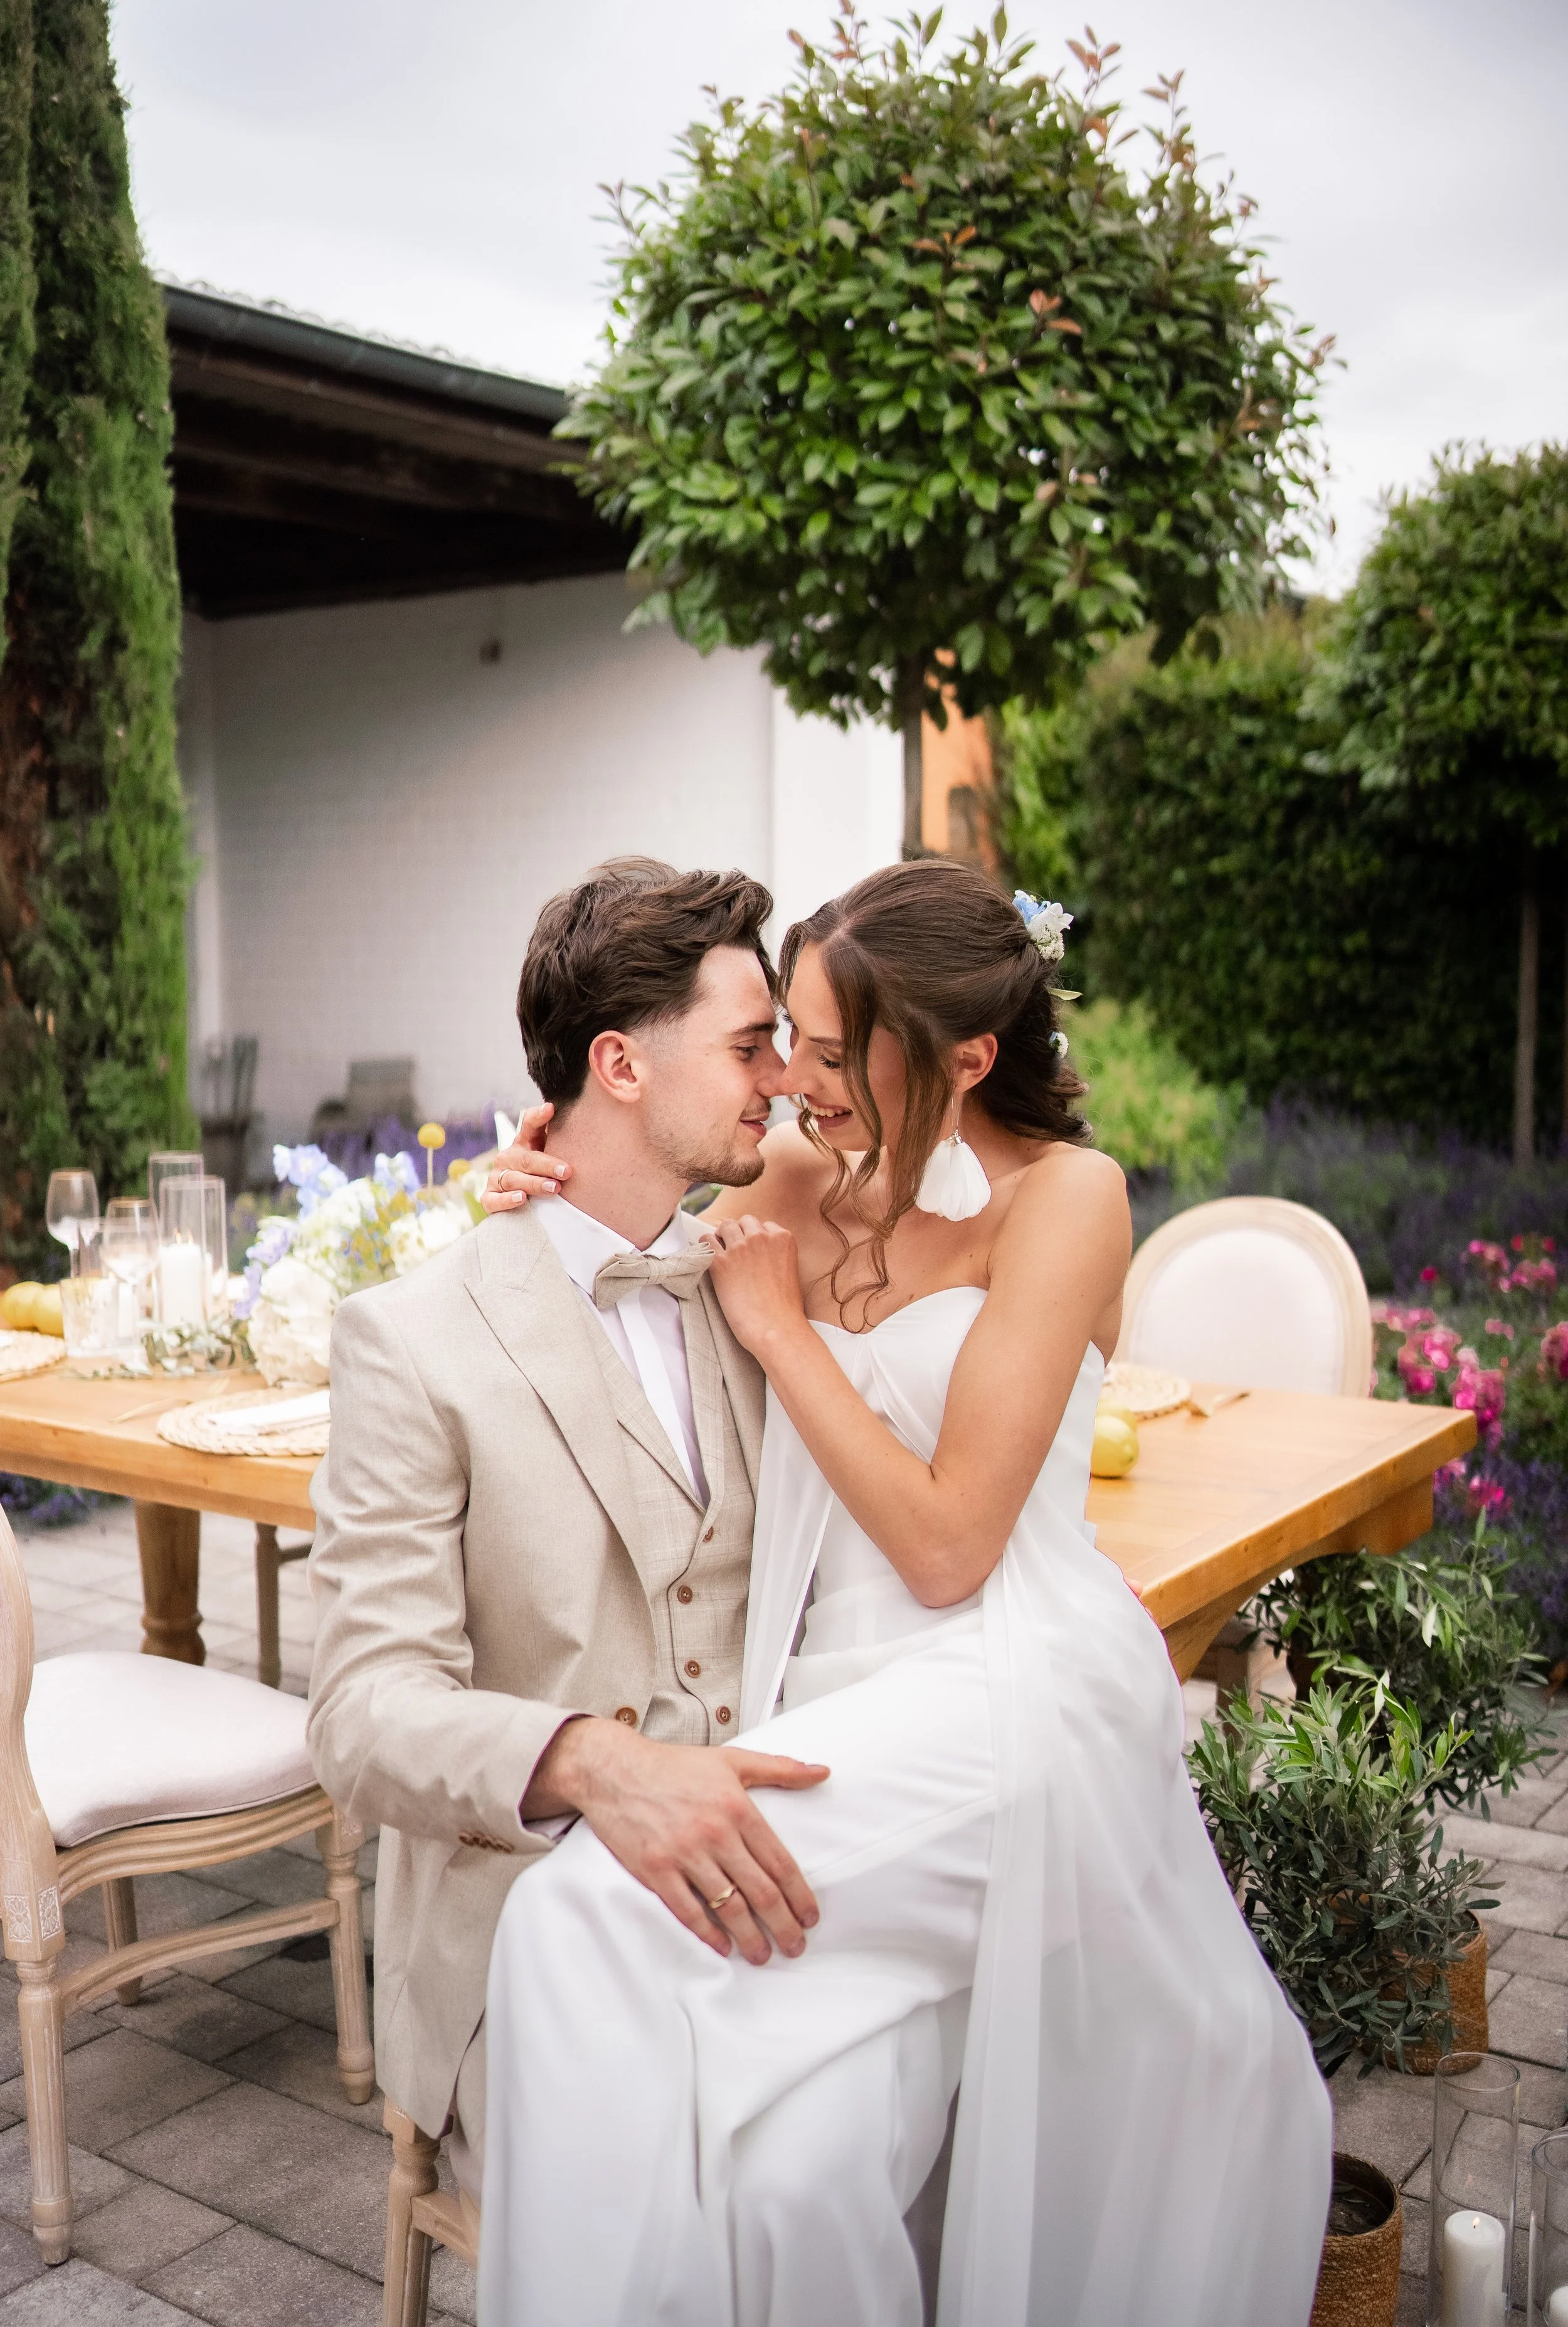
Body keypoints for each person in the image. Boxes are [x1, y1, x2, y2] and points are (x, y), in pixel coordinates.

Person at [477, 861, 1332, 2327]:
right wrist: (516, 1184)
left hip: (1010, 1686)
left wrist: (779, 1331)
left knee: (574, 1918)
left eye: (827, 1051)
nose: (790, 1080)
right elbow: (614, 1190)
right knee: (786, 2174)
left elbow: (947, 1548)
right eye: (784, 1040)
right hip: (824, 1692)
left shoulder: (1065, 1200)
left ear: (967, 1058)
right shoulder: (798, 1174)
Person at [306, 858, 837, 2205]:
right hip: (525, 1926)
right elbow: (359, 1716)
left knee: (901, 2122)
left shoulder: (759, 1278)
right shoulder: (411, 1339)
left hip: (775, 1879)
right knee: (735, 2188)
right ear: (620, 1064)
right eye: (749, 1045)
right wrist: (592, 1762)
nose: (781, 1077)